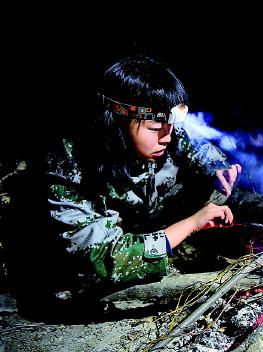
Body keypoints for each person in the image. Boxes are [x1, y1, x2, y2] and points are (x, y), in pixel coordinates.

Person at [9, 54, 242, 320]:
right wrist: (190, 225)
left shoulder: (164, 134)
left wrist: (216, 169)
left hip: (139, 220)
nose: (166, 136)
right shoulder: (69, 168)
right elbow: (104, 259)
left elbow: (196, 147)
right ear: (116, 121)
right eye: (156, 127)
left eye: (170, 126)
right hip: (69, 267)